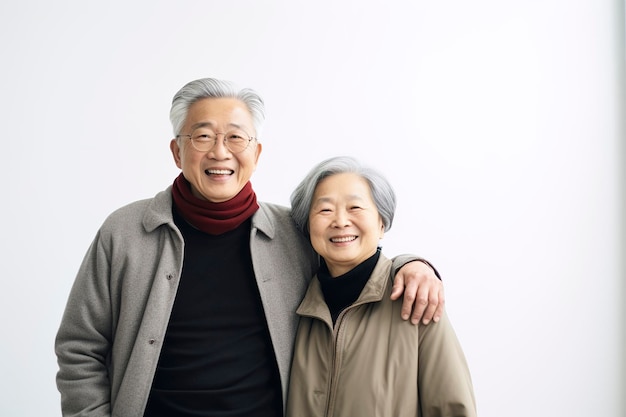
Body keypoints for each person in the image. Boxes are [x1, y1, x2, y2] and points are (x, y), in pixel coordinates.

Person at [54, 78, 445, 417]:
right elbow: (79, 348)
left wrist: (410, 264)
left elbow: (353, 260)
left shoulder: (293, 232)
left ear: (256, 154)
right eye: (203, 136)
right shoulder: (125, 231)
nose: (220, 152)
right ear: (177, 151)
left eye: (236, 137)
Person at [286, 156, 476, 417]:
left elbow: (453, 409)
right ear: (307, 227)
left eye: (355, 208)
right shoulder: (296, 305)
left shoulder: (416, 299)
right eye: (325, 210)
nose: (340, 221)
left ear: (382, 224)